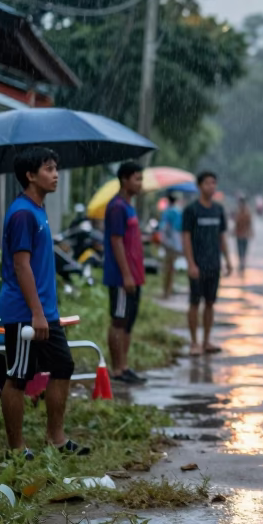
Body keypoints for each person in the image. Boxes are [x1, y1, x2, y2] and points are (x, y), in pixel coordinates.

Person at [0, 147, 89, 460]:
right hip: (25, 312)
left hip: (43, 311)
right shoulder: (23, 212)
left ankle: (56, 438)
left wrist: (47, 309)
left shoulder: (38, 210)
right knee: (18, 376)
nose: (55, 175)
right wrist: (36, 312)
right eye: (49, 169)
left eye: (56, 169)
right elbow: (21, 266)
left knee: (63, 365)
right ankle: (16, 449)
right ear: (30, 175)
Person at [102, 162, 148, 385]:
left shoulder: (129, 205)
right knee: (118, 320)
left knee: (128, 322)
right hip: (121, 277)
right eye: (137, 179)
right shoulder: (117, 207)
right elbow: (116, 241)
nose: (140, 183)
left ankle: (124, 366)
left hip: (134, 275)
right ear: (124, 180)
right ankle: (117, 369)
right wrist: (126, 275)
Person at [181, 171, 233, 356]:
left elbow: (222, 237)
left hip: (214, 263)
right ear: (199, 186)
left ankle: (207, 341)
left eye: (214, 183)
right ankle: (194, 342)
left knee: (210, 303)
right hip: (197, 264)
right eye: (207, 183)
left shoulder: (218, 210)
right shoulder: (191, 210)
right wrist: (190, 263)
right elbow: (186, 238)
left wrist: (227, 260)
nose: (211, 187)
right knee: (195, 303)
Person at [158, 191, 183, 298]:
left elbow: (163, 228)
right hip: (175, 244)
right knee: (171, 268)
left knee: (168, 268)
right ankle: (168, 290)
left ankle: (166, 290)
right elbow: (179, 230)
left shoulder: (167, 212)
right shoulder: (178, 212)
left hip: (168, 244)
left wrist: (164, 241)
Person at [233, 194, 254, 275]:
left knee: (242, 251)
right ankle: (242, 264)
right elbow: (236, 224)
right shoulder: (240, 212)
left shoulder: (244, 212)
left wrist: (251, 232)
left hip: (244, 235)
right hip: (240, 235)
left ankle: (242, 264)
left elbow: (249, 223)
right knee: (241, 251)